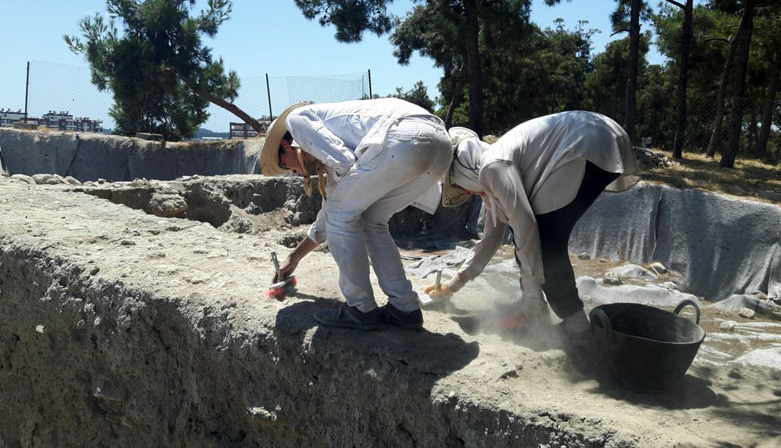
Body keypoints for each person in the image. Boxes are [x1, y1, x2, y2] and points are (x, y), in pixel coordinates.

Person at [426, 111, 641, 353]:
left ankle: (578, 332)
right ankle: (537, 311)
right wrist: (453, 285)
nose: (466, 193)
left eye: (457, 185)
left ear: (459, 168)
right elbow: (492, 237)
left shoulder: (492, 166)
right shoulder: (489, 170)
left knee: (546, 245)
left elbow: (525, 224)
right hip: (598, 136)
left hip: (588, 141)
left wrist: (530, 289)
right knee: (535, 244)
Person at [260, 98, 453, 331]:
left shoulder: (297, 119)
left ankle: (360, 308)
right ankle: (405, 309)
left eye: (286, 165)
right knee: (372, 221)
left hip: (403, 138)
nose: (293, 171)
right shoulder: (330, 149)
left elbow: (344, 167)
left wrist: (336, 213)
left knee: (343, 217)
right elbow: (328, 217)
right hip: (441, 145)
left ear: (286, 145)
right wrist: (294, 258)